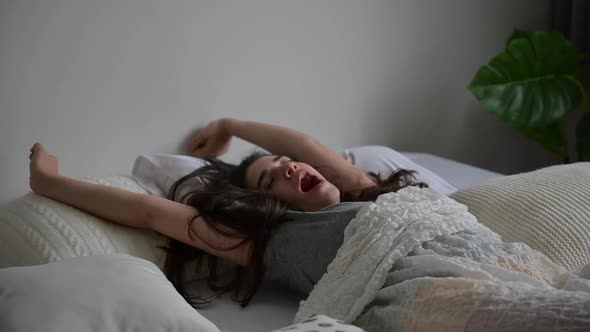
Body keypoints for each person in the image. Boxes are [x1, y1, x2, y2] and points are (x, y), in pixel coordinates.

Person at [28, 118, 426, 308]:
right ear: (269, 206)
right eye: (270, 182)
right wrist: (50, 183)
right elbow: (147, 211)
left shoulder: (369, 196)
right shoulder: (279, 241)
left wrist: (229, 125)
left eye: (288, 162)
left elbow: (306, 146)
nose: (289, 167)